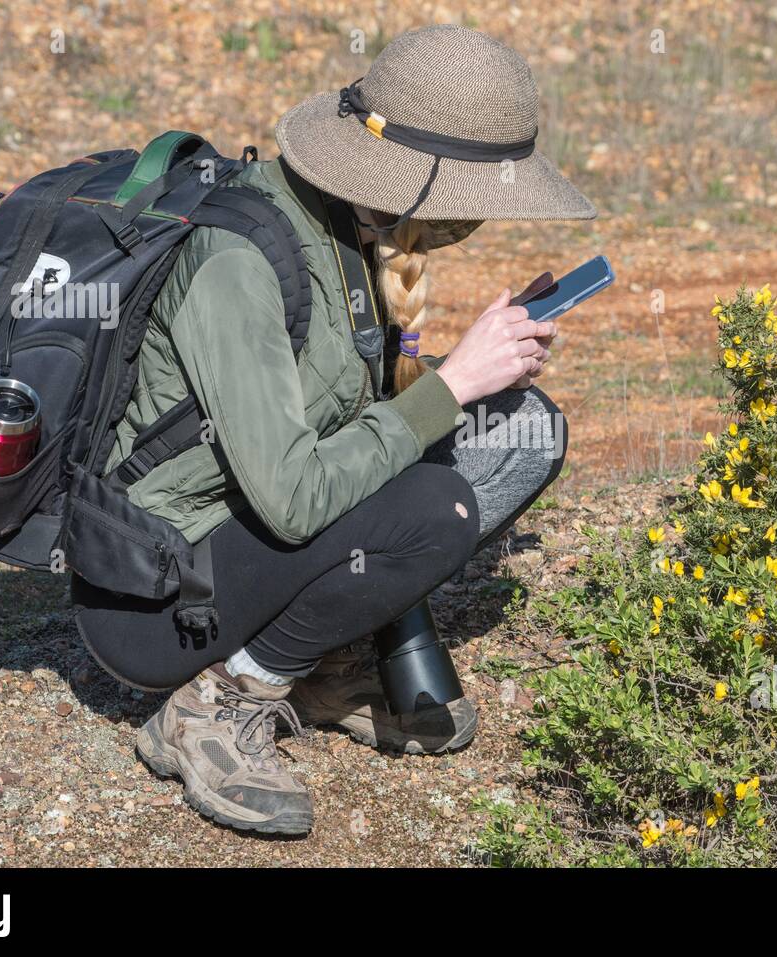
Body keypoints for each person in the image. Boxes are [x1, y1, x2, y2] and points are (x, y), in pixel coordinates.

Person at [71, 24, 595, 835]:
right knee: (437, 508)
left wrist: (480, 372)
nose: (476, 223)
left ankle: (316, 662)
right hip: (159, 594)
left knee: (523, 432)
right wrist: (453, 382)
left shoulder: (353, 231)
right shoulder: (239, 261)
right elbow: (294, 498)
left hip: (253, 533)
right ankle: (220, 700)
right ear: (415, 181)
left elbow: (345, 426)